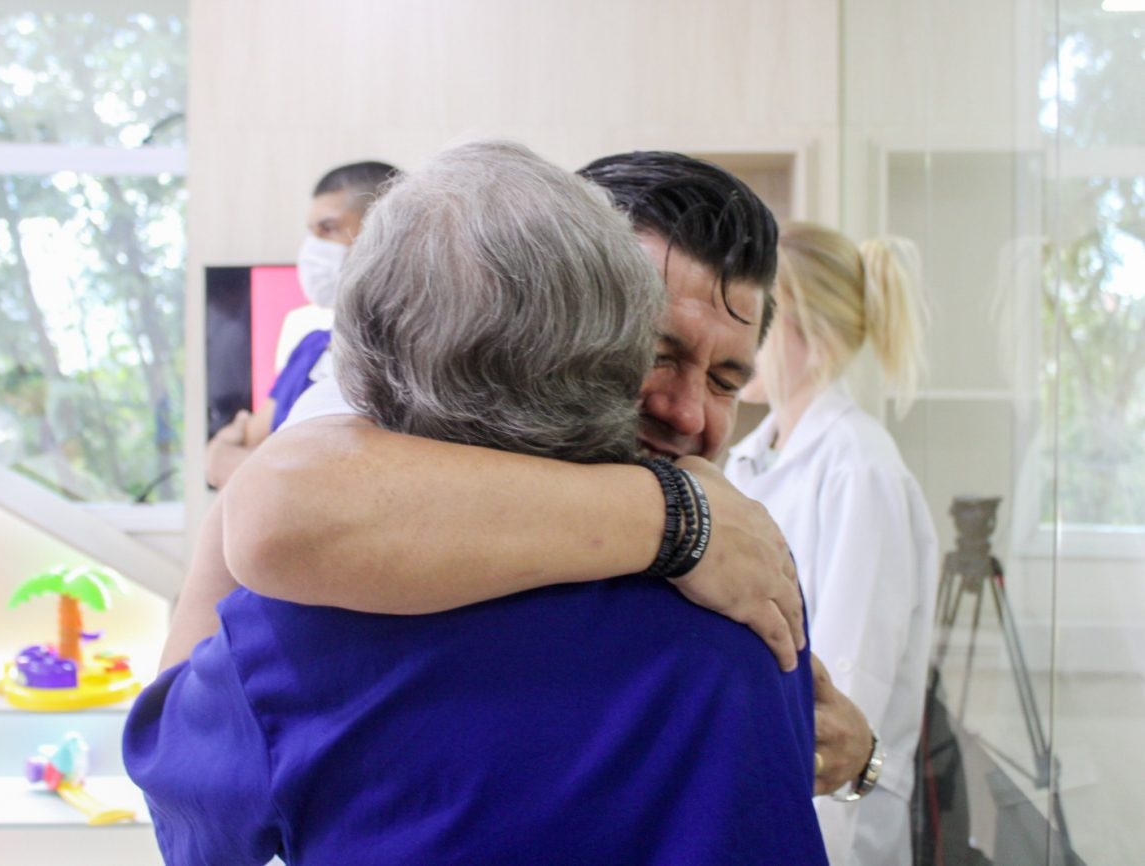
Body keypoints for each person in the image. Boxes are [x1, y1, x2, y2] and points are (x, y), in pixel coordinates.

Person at [125, 141, 827, 865]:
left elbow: (178, 794)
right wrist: (678, 516)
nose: (688, 416)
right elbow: (281, 505)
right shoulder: (743, 583)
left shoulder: (293, 636)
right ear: (587, 319)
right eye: (659, 352)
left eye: (726, 380)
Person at [726, 221, 939, 866]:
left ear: (809, 335)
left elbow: (842, 703)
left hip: (836, 831)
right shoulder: (749, 459)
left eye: (762, 315)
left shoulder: (859, 470)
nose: (743, 334)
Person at [204, 160, 398, 488]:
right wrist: (226, 454)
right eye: (312, 233)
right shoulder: (311, 348)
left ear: (386, 230)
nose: (312, 250)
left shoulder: (411, 356)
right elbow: (250, 441)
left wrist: (227, 458)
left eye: (329, 228)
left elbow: (342, 486)